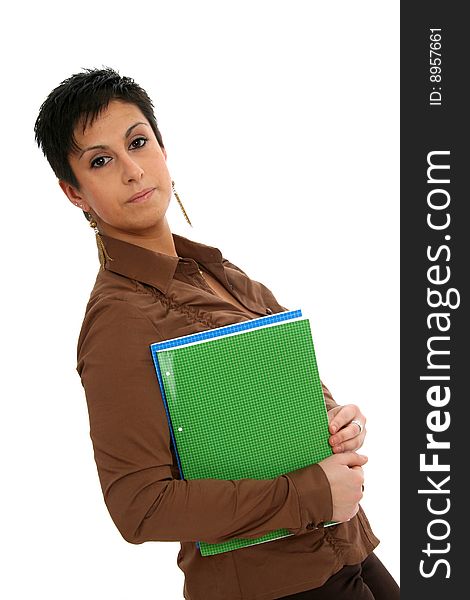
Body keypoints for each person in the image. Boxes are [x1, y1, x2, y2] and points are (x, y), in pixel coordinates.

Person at [34, 67, 399, 600]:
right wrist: (311, 492)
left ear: (162, 147)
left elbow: (281, 387)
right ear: (74, 192)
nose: (133, 170)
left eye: (139, 143)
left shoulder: (214, 271)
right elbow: (140, 507)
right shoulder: (118, 321)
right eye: (101, 160)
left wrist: (334, 419)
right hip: (274, 588)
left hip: (346, 550)